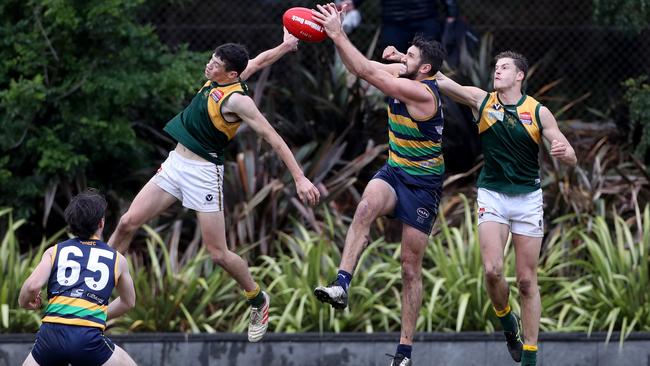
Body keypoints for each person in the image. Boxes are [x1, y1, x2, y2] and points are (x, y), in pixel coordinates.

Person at [107, 28, 320, 343]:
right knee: (127, 222)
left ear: (230, 73)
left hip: (203, 174)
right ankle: (92, 285)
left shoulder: (238, 100)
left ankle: (257, 298)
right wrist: (285, 46)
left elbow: (272, 138)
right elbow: (258, 62)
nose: (209, 65)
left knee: (218, 253)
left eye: (215, 64)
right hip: (176, 164)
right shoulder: (220, 79)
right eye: (211, 60)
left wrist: (300, 177)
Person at [386, 47, 577, 366]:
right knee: (492, 271)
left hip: (527, 198)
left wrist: (565, 153)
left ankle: (529, 357)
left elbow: (568, 151)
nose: (497, 70)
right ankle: (507, 321)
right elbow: (440, 78)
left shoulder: (538, 112)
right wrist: (404, 60)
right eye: (496, 66)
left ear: (520, 76)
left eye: (505, 67)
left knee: (527, 280)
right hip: (493, 194)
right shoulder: (482, 100)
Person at [312, 5, 447, 366]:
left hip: (423, 186)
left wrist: (338, 32)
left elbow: (365, 70)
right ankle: (341, 284)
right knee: (366, 206)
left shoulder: (422, 93)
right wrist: (336, 36)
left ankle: (404, 351)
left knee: (408, 266)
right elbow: (363, 69)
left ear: (425, 70)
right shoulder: (408, 74)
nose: (403, 55)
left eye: (411, 55)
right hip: (395, 171)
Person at [19, 189, 137, 366]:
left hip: (51, 337)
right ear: (101, 223)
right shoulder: (117, 260)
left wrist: (24, 302)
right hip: (88, 339)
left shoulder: (54, 251)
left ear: (71, 224)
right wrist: (96, 314)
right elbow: (129, 302)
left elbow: (32, 287)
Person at [341, 0, 458, 52]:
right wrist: (354, 2)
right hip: (394, 22)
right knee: (394, 65)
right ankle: (395, 102)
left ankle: (430, 99)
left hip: (424, 19)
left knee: (427, 64)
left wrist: (451, 13)